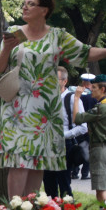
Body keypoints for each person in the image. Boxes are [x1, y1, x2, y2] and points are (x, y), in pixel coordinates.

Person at [0, 0, 106, 198]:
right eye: (25, 3)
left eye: (31, 4)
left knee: (38, 162)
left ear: (45, 10)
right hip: (17, 110)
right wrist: (6, 48)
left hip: (45, 112)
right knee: (19, 162)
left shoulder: (57, 37)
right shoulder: (15, 32)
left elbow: (85, 52)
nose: (25, 7)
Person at [73, 74, 106, 202]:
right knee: (100, 192)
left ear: (103, 89)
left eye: (94, 87)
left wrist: (76, 98)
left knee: (102, 193)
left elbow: (77, 119)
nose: (91, 88)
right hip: (102, 148)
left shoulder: (102, 108)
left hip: (100, 149)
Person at [42, 67, 73, 198]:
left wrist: (62, 136)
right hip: (47, 146)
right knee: (48, 183)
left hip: (65, 145)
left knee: (64, 182)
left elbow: (82, 127)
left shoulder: (71, 99)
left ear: (64, 81)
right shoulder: (45, 99)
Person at [65, 73, 95, 182]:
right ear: (91, 84)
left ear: (82, 82)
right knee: (87, 150)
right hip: (87, 127)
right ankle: (85, 173)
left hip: (74, 126)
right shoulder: (92, 96)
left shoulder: (74, 94)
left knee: (76, 148)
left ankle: (74, 171)